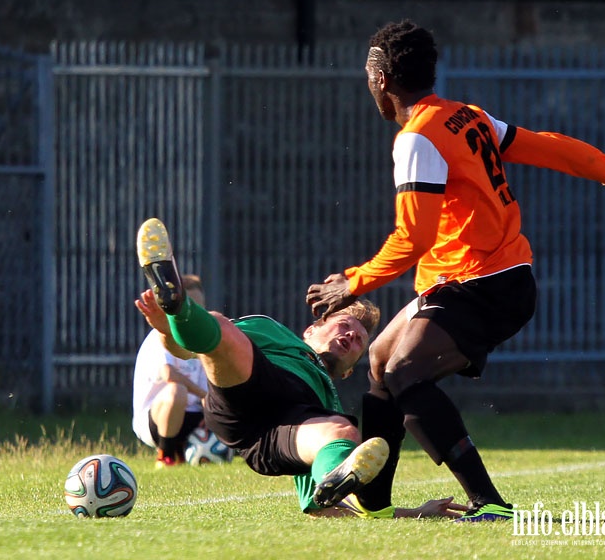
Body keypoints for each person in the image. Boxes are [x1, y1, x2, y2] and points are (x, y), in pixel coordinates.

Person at [305, 19, 605, 522]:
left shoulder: (418, 137)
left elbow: (413, 238)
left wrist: (352, 281)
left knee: (405, 371)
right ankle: (374, 503)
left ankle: (489, 504)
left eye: (367, 74)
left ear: (381, 78)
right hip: (470, 280)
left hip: (487, 284)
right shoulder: (463, 116)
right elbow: (538, 142)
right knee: (381, 362)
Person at [135, 217, 466, 518]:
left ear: (349, 371)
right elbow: (188, 349)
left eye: (360, 341)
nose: (352, 335)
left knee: (343, 432)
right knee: (222, 331)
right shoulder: (271, 332)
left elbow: (324, 512)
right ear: (311, 330)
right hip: (248, 388)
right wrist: (168, 327)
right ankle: (178, 304)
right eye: (344, 325)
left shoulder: (326, 402)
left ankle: (332, 485)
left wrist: (417, 513)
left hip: (272, 436)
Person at [132, 274, 211, 468]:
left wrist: (214, 408)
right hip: (158, 420)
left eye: (200, 309)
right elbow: (169, 375)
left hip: (194, 416)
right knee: (176, 391)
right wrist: (206, 397)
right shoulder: (160, 337)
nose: (196, 314)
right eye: (192, 308)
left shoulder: (205, 339)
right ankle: (165, 455)